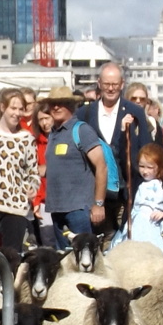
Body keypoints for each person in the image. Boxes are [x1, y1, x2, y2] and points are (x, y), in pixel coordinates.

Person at [77, 62, 151, 241]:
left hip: (126, 190)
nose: (111, 89)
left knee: (126, 241)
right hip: (95, 191)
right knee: (100, 240)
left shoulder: (135, 112)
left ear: (122, 84)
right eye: (107, 84)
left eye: (115, 84)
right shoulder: (84, 113)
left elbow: (146, 149)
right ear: (99, 83)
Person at [44, 85, 107, 249]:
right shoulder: (53, 133)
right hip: (57, 209)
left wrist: (98, 205)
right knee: (64, 261)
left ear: (71, 106)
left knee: (83, 258)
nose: (56, 107)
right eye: (52, 103)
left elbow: (101, 166)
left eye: (62, 103)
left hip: (79, 210)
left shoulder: (82, 130)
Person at [0, 88, 40, 251]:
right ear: (2, 107)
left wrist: (32, 188)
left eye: (21, 109)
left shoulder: (27, 139)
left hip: (16, 207)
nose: (17, 113)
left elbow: (33, 172)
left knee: (11, 256)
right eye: (13, 108)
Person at [109, 143, 163, 253]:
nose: (145, 171)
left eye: (150, 167)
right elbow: (125, 155)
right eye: (141, 166)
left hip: (156, 225)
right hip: (136, 223)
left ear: (160, 166)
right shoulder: (136, 182)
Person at [30, 101, 57, 248]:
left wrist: (49, 168)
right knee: (48, 242)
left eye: (47, 117)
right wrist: (36, 202)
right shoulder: (35, 143)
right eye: (41, 119)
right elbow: (34, 175)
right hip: (44, 201)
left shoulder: (63, 138)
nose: (45, 123)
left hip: (63, 199)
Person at [125, 82, 163, 147]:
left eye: (142, 99)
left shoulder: (152, 123)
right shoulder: (119, 120)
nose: (138, 101)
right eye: (134, 98)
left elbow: (159, 149)